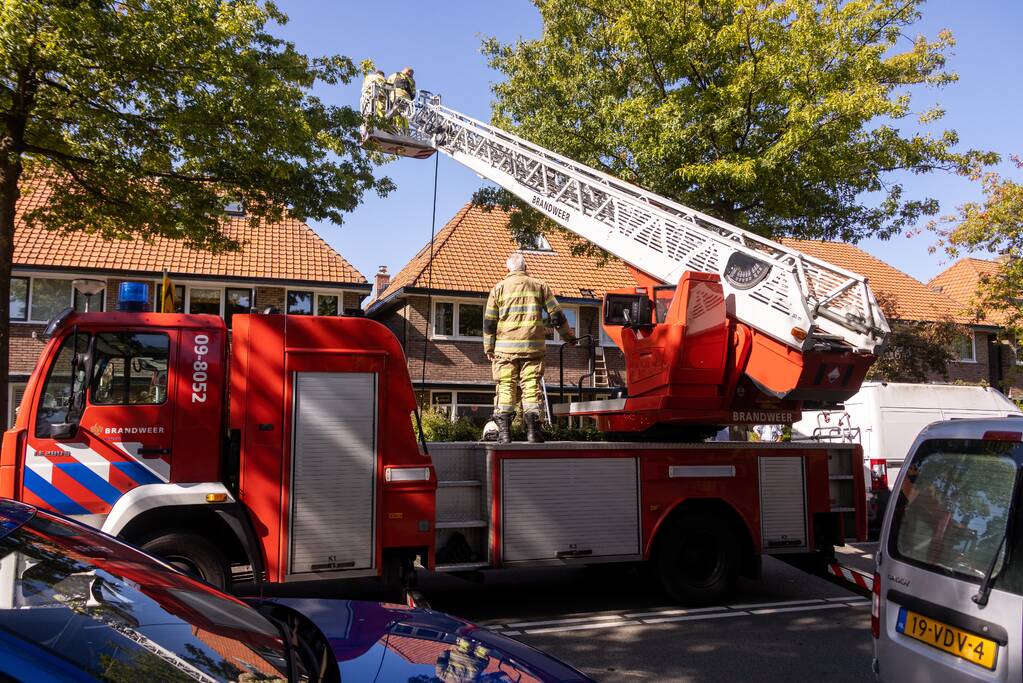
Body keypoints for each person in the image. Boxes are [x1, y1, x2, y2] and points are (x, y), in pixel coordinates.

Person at [483, 252, 575, 444]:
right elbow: (556, 316)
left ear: (507, 269)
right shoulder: (540, 286)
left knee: (506, 387)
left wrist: (489, 347)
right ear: (525, 267)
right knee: (531, 388)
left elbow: (489, 323)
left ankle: (505, 434)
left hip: (504, 350)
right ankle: (533, 433)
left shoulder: (497, 289)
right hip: (532, 348)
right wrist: (569, 337)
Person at [386, 66, 416, 132]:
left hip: (394, 96)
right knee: (404, 116)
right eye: (411, 73)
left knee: (394, 113)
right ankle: (404, 131)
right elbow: (413, 93)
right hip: (406, 99)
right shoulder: (411, 80)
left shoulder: (394, 75)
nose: (411, 75)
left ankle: (394, 129)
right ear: (408, 71)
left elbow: (387, 86)